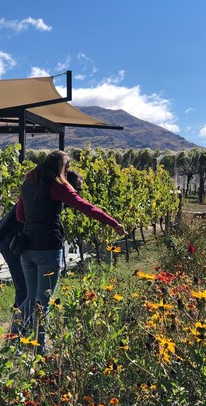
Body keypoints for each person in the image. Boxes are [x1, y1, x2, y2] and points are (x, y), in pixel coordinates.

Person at [14, 150, 126, 351]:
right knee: (43, 302)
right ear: (61, 167)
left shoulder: (28, 183)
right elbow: (86, 207)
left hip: (27, 247)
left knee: (31, 299)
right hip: (48, 248)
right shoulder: (57, 185)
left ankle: (13, 336)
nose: (67, 172)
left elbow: (20, 216)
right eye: (67, 168)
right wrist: (113, 223)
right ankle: (39, 348)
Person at [0, 169, 84, 308]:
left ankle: (26, 324)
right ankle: (20, 327)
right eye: (77, 189)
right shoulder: (48, 195)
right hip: (10, 238)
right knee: (25, 288)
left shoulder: (51, 193)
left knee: (31, 291)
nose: (78, 194)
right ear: (66, 185)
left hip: (18, 238)